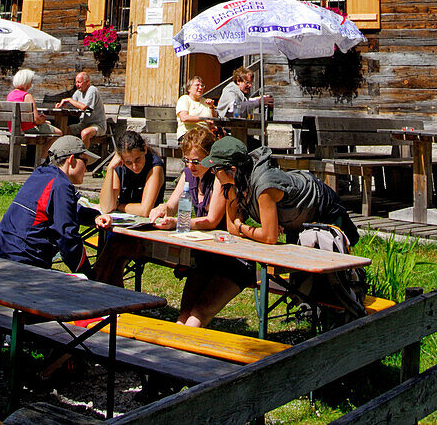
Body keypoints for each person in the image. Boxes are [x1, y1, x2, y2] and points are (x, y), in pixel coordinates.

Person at [149, 128, 255, 326]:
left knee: (198, 314)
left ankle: (181, 354)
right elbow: (172, 205)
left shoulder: (219, 176)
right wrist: (162, 208)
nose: (191, 165)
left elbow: (211, 220)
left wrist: (179, 223)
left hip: (232, 259)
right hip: (205, 255)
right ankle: (173, 352)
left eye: (196, 161)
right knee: (184, 313)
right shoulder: (188, 174)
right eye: (186, 160)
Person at [202, 135, 360, 248]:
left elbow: (269, 237)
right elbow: (231, 228)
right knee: (298, 277)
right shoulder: (232, 183)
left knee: (332, 265)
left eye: (215, 168)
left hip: (321, 205)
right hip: (295, 218)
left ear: (233, 170)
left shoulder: (265, 186)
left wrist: (242, 226)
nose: (212, 173)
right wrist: (249, 228)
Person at [0, 135, 105, 271]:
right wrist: (88, 277)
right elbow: (67, 238)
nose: (87, 169)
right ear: (71, 160)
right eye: (85, 161)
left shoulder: (41, 174)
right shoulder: (61, 185)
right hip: (21, 264)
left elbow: (62, 209)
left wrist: (94, 216)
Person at [94, 130, 166, 286]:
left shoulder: (155, 166)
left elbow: (145, 210)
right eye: (128, 162)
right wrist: (110, 170)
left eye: (138, 159)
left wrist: (119, 206)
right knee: (115, 257)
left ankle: (94, 284)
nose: (134, 166)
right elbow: (106, 207)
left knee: (114, 250)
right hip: (124, 230)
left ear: (144, 150)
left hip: (147, 232)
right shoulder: (119, 167)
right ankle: (108, 299)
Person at [7, 68, 60, 144]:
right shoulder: (27, 96)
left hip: (13, 129)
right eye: (31, 81)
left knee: (47, 127)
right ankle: (44, 155)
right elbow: (37, 120)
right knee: (59, 133)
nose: (31, 84)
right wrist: (43, 120)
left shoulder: (10, 95)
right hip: (27, 129)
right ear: (27, 82)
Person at [57, 71, 107, 149]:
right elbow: (72, 106)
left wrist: (69, 100)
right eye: (76, 82)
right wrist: (62, 106)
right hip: (84, 124)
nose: (77, 85)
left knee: (85, 133)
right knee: (64, 130)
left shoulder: (92, 90)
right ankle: (67, 153)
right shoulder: (78, 92)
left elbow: (84, 107)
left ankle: (83, 157)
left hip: (98, 125)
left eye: (79, 82)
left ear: (87, 82)